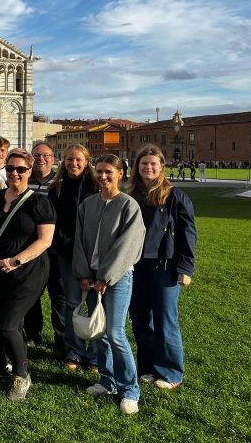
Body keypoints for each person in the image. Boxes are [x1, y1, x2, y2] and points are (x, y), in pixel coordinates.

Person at [0, 148, 55, 401]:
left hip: (28, 272)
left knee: (7, 323)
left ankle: (22, 376)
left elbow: (45, 241)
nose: (14, 173)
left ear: (29, 171)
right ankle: (9, 368)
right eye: (10, 168)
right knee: (2, 322)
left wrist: (16, 260)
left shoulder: (39, 202)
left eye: (21, 169)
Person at [73, 154, 146, 415]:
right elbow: (79, 241)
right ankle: (108, 380)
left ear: (120, 174)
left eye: (108, 172)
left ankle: (130, 389)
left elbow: (128, 247)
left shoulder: (128, 205)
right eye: (99, 171)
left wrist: (106, 276)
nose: (103, 176)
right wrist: (83, 273)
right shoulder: (88, 204)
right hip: (91, 276)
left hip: (118, 277)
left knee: (115, 333)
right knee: (100, 333)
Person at [127, 145, 197, 390]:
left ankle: (170, 372)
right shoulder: (132, 196)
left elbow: (188, 233)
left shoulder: (175, 196)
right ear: (137, 167)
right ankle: (147, 367)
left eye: (152, 163)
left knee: (165, 318)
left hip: (165, 265)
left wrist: (186, 267)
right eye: (143, 163)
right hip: (136, 265)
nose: (148, 167)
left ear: (161, 167)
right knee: (140, 318)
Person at [48, 144, 99, 372]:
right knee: (72, 303)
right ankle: (74, 351)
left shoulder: (97, 186)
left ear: (87, 162)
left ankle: (95, 354)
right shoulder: (56, 188)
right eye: (69, 159)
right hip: (68, 253)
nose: (73, 164)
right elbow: (54, 224)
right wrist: (68, 246)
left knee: (95, 303)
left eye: (78, 159)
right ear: (63, 161)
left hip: (94, 255)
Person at [25, 141, 64, 352]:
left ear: (53, 159)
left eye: (46, 155)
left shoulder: (61, 182)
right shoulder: (25, 179)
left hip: (55, 249)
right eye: (37, 155)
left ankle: (62, 339)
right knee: (32, 294)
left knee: (59, 295)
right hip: (30, 247)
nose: (41, 159)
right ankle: (33, 333)